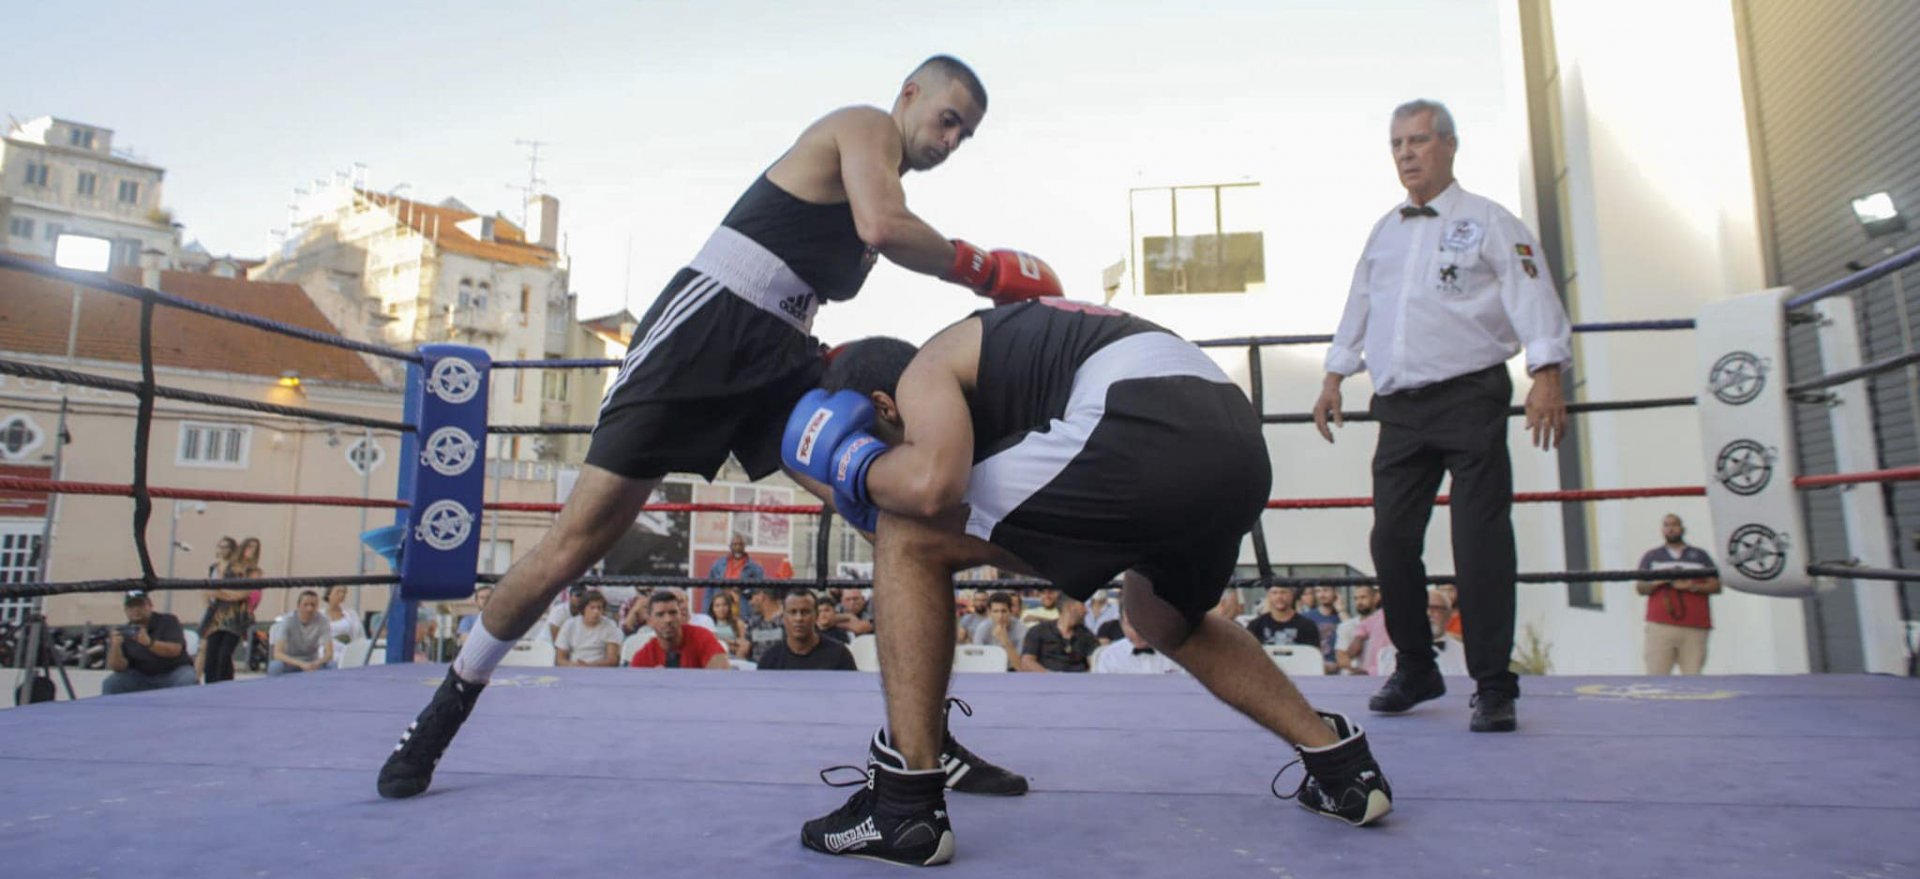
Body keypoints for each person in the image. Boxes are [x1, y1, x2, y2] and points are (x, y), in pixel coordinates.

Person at [377, 54, 1058, 802]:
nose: (953, 140)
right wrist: (987, 269)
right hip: (701, 332)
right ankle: (444, 709)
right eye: (948, 118)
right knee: (580, 538)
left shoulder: (885, 175)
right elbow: (883, 225)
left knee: (889, 509)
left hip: (777, 355)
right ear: (908, 96)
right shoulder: (864, 128)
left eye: (967, 134)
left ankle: (922, 740)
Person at [783, 299, 1392, 865]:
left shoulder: (926, 370)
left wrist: (858, 467)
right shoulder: (1010, 369)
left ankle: (902, 808)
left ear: (885, 406)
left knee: (910, 533)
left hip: (1136, 422)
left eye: (885, 439)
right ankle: (1342, 769)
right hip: (1233, 445)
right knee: (1162, 618)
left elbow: (930, 489)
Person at [1310, 99, 1572, 734]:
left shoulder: (1488, 221)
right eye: (1397, 142)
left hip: (1469, 396)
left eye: (1419, 140)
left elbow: (1532, 294)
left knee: (1479, 540)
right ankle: (1417, 667)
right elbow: (1359, 303)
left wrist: (1546, 374)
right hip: (1400, 407)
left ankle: (1491, 683)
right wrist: (1335, 374)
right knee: (1391, 539)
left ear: (1449, 146)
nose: (1406, 153)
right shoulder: (1385, 230)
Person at [1635, 513, 1720, 675]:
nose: (1671, 529)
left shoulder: (1700, 556)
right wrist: (1659, 581)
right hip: (1661, 625)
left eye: (1674, 525)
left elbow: (1716, 586)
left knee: (1693, 675)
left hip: (1694, 626)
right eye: (1666, 525)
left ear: (1682, 528)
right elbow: (1640, 588)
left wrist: (1691, 586)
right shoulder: (1652, 557)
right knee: (1657, 675)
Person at [102, 590, 196, 694]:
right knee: (111, 683)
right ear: (125, 610)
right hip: (142, 676)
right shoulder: (125, 631)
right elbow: (118, 667)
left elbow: (175, 650)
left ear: (150, 606)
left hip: (173, 672)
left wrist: (149, 643)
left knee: (188, 679)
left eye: (140, 606)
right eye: (131, 607)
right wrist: (115, 646)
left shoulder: (168, 621)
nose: (136, 610)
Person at [198, 537, 256, 684]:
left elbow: (242, 592)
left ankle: (224, 685)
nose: (222, 550)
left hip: (233, 614)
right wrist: (208, 603)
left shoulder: (239, 568)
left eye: (226, 547)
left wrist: (220, 594)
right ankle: (210, 684)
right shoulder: (214, 567)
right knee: (211, 652)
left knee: (224, 654)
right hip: (215, 613)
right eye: (220, 546)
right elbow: (207, 590)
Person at [757, 589, 858, 670]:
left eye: (805, 612)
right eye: (793, 612)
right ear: (783, 617)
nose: (799, 618)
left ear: (816, 616)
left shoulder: (839, 655)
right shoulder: (770, 659)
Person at [628, 591, 731, 669]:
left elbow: (722, 677)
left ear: (681, 616)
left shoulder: (702, 637)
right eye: (660, 615)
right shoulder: (643, 657)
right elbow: (632, 692)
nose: (668, 620)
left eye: (673, 613)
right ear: (650, 621)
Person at [1091, 603, 1182, 675]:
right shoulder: (1110, 656)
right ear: (1121, 623)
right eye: (1130, 624)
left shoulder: (1178, 654)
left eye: (1144, 624)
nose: (1137, 631)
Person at [1018, 595, 1098, 672]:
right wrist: (1052, 677)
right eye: (1082, 605)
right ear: (1070, 607)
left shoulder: (1087, 635)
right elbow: (1027, 662)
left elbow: (1095, 664)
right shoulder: (1039, 631)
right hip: (1046, 682)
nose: (1086, 611)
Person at [269, 590, 334, 675]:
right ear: (298, 606)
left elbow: (329, 653)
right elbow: (277, 653)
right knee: (275, 666)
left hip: (312, 661)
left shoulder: (323, 621)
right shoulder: (288, 620)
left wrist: (317, 663)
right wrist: (301, 664)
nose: (309, 609)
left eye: (313, 605)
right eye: (305, 605)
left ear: (317, 606)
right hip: (290, 661)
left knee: (333, 665)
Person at [554, 590, 624, 668]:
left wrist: (589, 666)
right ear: (583, 609)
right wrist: (575, 666)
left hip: (600, 671)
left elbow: (612, 660)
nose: (596, 611)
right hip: (574, 669)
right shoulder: (569, 624)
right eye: (592, 608)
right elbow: (560, 659)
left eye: (599, 608)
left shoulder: (610, 625)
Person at [1246, 585, 1320, 649]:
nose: (1279, 597)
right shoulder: (1255, 626)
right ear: (1269, 596)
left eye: (1283, 592)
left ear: (1291, 595)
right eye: (1275, 593)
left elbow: (1313, 656)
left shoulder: (1307, 626)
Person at [968, 591, 1027, 670]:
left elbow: (1021, 668)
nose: (1000, 616)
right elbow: (977, 660)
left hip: (1012, 670)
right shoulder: (982, 628)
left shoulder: (1021, 629)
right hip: (988, 669)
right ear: (989, 612)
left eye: (1004, 611)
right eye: (996, 611)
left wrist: (1005, 641)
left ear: (1010, 611)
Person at [706, 589, 748, 656]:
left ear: (729, 607)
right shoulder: (708, 623)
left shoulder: (738, 622)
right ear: (712, 608)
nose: (721, 609)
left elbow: (744, 644)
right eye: (717, 606)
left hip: (736, 658)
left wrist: (723, 641)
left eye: (724, 605)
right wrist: (732, 643)